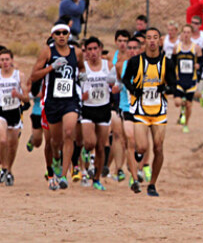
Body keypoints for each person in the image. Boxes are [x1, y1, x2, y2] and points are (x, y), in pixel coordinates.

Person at [30, 23, 86, 189]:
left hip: (70, 99)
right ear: (53, 35)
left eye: (64, 33)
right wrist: (51, 67)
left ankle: (63, 174)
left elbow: (81, 67)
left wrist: (82, 76)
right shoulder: (47, 52)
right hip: (52, 101)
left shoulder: (76, 52)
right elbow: (34, 75)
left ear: (68, 35)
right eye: (58, 33)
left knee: (69, 132)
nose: (61, 36)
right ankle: (55, 160)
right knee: (55, 141)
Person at [122, 27, 176, 197]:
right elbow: (125, 79)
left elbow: (174, 85)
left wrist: (165, 87)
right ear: (144, 41)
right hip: (141, 111)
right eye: (149, 38)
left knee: (159, 148)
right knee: (142, 147)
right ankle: (137, 158)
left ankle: (152, 184)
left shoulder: (167, 62)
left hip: (159, 111)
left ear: (160, 41)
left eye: (155, 37)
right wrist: (133, 90)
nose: (152, 41)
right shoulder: (135, 61)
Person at [80, 37, 118, 191]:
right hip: (87, 108)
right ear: (86, 52)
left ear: (100, 49)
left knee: (101, 147)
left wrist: (115, 88)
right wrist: (81, 95)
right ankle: (84, 155)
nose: (93, 52)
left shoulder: (108, 66)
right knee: (89, 143)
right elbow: (78, 86)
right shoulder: (83, 68)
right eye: (89, 49)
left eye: (95, 49)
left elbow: (117, 84)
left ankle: (96, 179)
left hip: (104, 108)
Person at [116, 37, 145, 193]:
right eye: (130, 48)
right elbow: (117, 83)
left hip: (143, 109)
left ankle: (135, 162)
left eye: (135, 48)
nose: (133, 51)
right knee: (130, 140)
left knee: (142, 146)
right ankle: (134, 179)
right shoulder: (121, 66)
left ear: (140, 49)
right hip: (126, 107)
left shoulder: (147, 66)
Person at [0, 49, 29, 186]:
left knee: (12, 145)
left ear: (11, 60)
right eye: (2, 60)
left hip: (15, 111)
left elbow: (27, 98)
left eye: (7, 59)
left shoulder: (19, 76)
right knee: (2, 140)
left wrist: (18, 95)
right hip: (1, 111)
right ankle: (4, 168)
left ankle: (9, 170)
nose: (5, 62)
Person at [106, 29, 131, 183]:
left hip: (126, 100)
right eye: (120, 41)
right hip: (112, 100)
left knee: (124, 138)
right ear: (116, 42)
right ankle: (116, 168)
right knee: (116, 136)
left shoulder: (132, 58)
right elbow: (108, 78)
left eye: (125, 41)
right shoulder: (111, 58)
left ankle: (116, 168)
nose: (123, 44)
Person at [173, 24, 202, 133]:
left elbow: (202, 61)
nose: (186, 34)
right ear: (181, 34)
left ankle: (186, 124)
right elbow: (172, 61)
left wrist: (199, 65)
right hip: (179, 80)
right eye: (184, 32)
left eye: (188, 32)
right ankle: (183, 105)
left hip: (191, 80)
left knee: (189, 105)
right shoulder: (177, 48)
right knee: (177, 102)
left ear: (191, 34)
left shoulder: (196, 48)